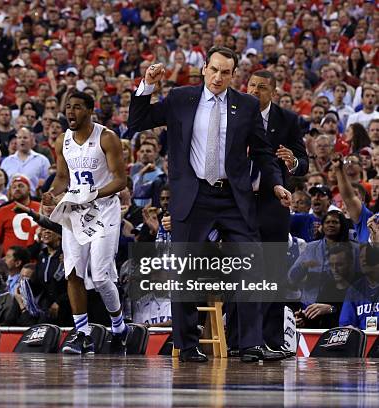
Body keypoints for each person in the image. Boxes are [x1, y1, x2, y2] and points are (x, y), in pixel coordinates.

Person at [129, 47, 290, 363]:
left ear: (234, 75)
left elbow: (262, 152)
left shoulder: (245, 105)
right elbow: (139, 120)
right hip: (194, 195)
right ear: (203, 68)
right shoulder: (180, 98)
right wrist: (146, 85)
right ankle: (187, 345)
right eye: (214, 69)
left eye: (225, 72)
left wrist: (276, 183)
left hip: (234, 197)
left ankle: (250, 344)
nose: (218, 77)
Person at [41, 91, 128, 354]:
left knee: (100, 276)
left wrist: (94, 193)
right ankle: (82, 334)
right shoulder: (62, 141)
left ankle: (119, 326)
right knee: (74, 273)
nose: (71, 112)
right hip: (76, 212)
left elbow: (121, 181)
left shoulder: (107, 138)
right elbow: (62, 176)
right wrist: (52, 192)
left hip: (104, 211)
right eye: (68, 107)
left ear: (90, 110)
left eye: (77, 107)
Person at [246, 70, 309, 356]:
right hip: (238, 202)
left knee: (272, 272)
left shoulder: (288, 120)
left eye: (261, 87)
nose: (254, 90)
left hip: (274, 204)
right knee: (240, 272)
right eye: (251, 85)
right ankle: (239, 340)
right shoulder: (232, 113)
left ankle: (271, 339)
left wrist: (293, 161)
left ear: (273, 92)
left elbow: (304, 162)